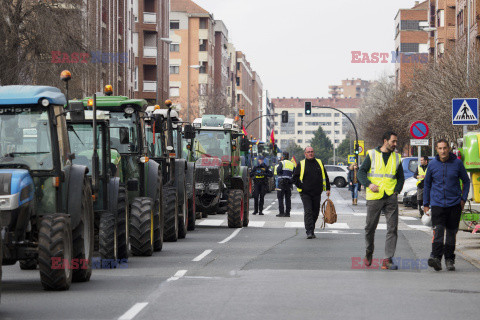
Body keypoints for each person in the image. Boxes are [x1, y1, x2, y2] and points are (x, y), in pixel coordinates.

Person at [358, 131, 405, 270]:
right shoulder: (372, 154)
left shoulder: (397, 157)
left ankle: (387, 259)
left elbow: (400, 177)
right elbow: (361, 172)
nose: (395, 144)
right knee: (370, 227)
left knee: (392, 228)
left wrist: (397, 190)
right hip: (375, 196)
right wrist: (369, 184)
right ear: (385, 141)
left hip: (390, 196)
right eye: (393, 141)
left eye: (396, 142)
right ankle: (369, 252)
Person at [423, 139, 470, 272]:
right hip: (437, 204)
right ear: (436, 149)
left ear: (449, 148)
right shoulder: (432, 165)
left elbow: (466, 181)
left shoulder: (457, 163)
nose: (443, 151)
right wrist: (426, 203)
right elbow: (427, 185)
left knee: (451, 233)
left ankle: (449, 259)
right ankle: (436, 258)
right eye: (440, 148)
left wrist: (463, 199)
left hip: (454, 204)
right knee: (438, 231)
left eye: (445, 148)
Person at [292, 147, 330, 239]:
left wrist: (328, 189)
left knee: (315, 212)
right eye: (308, 152)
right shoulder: (301, 164)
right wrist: (302, 187)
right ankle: (309, 231)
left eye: (312, 152)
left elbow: (325, 175)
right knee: (308, 211)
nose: (310, 153)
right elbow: (295, 178)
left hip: (317, 192)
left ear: (314, 152)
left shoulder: (319, 162)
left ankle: (311, 229)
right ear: (305, 154)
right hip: (306, 193)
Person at [276, 152, 295, 217]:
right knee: (288, 198)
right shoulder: (292, 164)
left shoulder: (282, 163)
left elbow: (278, 171)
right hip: (289, 183)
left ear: (283, 157)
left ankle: (281, 213)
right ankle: (287, 213)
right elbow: (295, 174)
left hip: (281, 183)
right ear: (288, 157)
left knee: (280, 197)